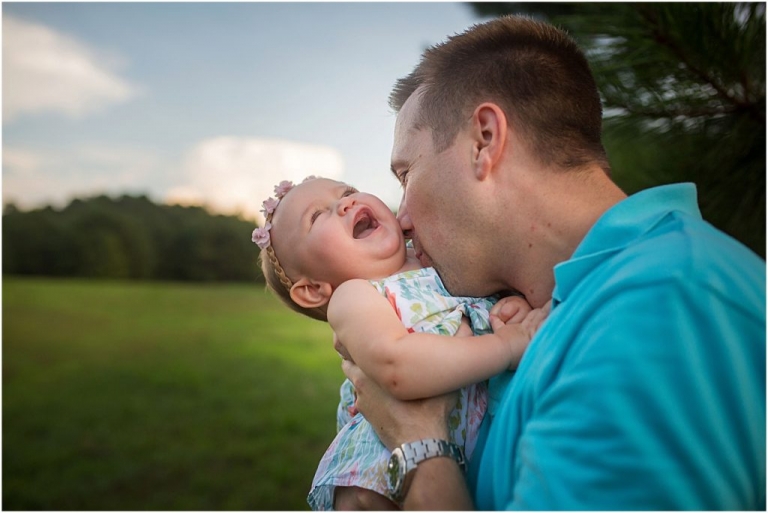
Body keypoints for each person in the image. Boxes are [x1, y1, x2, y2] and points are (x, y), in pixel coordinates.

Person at [338, 14, 767, 510]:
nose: (403, 218)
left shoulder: (654, 311)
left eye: (406, 173)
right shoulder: (568, 305)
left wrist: (418, 445)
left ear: (484, 140)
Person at [252, 176, 549, 510]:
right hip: (381, 474)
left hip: (466, 455)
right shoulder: (354, 296)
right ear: (313, 289)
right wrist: (506, 347)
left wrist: (504, 310)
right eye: (318, 216)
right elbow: (399, 367)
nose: (345, 203)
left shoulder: (433, 262)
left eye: (347, 193)